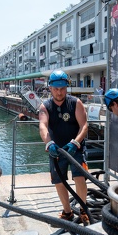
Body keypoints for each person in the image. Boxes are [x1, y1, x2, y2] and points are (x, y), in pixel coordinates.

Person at [38, 70, 90, 226]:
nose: (59, 92)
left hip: (76, 148)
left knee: (79, 178)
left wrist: (76, 142)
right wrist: (49, 143)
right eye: (55, 88)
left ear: (67, 87)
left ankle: (83, 210)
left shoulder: (76, 103)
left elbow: (84, 126)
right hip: (56, 149)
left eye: (61, 88)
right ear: (50, 88)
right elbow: (42, 125)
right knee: (59, 181)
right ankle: (67, 212)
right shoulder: (45, 106)